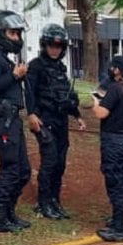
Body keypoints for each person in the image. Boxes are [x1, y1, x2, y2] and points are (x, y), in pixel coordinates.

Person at [25, 23, 86, 220]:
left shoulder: (61, 68)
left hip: (61, 121)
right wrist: (31, 114)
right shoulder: (36, 66)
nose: (55, 49)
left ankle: (54, 200)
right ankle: (43, 203)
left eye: (59, 46)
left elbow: (66, 94)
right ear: (45, 45)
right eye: (51, 45)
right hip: (44, 121)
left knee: (60, 163)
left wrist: (77, 116)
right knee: (49, 161)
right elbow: (29, 93)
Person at [0, 10, 33, 233]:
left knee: (23, 171)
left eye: (18, 33)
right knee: (11, 169)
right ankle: (0, 218)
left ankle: (10, 213)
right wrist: (14, 75)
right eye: (13, 33)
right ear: (0, 32)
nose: (17, 38)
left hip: (13, 119)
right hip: (2, 120)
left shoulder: (5, 57)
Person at [91, 56, 123, 242]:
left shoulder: (115, 89)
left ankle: (118, 227)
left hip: (114, 141)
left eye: (114, 67)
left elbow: (101, 113)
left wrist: (95, 100)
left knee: (115, 184)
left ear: (118, 71)